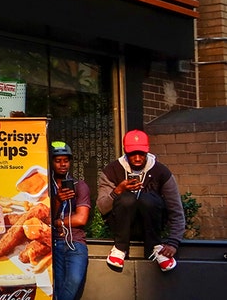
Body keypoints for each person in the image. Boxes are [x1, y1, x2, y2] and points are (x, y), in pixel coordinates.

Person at [97, 129, 184, 272]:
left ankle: (155, 247)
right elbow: (102, 208)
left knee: (148, 199)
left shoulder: (161, 171)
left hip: (152, 225)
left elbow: (176, 210)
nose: (137, 158)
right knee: (127, 199)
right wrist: (118, 190)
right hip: (121, 226)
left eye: (141, 154)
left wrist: (173, 242)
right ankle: (120, 248)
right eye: (132, 154)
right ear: (125, 151)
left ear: (147, 151)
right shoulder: (112, 170)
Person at [49, 141, 90, 300]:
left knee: (74, 281)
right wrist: (57, 200)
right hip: (53, 244)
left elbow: (81, 219)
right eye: (58, 161)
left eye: (66, 160)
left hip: (75, 242)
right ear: (51, 162)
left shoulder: (79, 186)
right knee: (57, 287)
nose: (62, 164)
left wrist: (57, 222)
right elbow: (42, 217)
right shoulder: (46, 188)